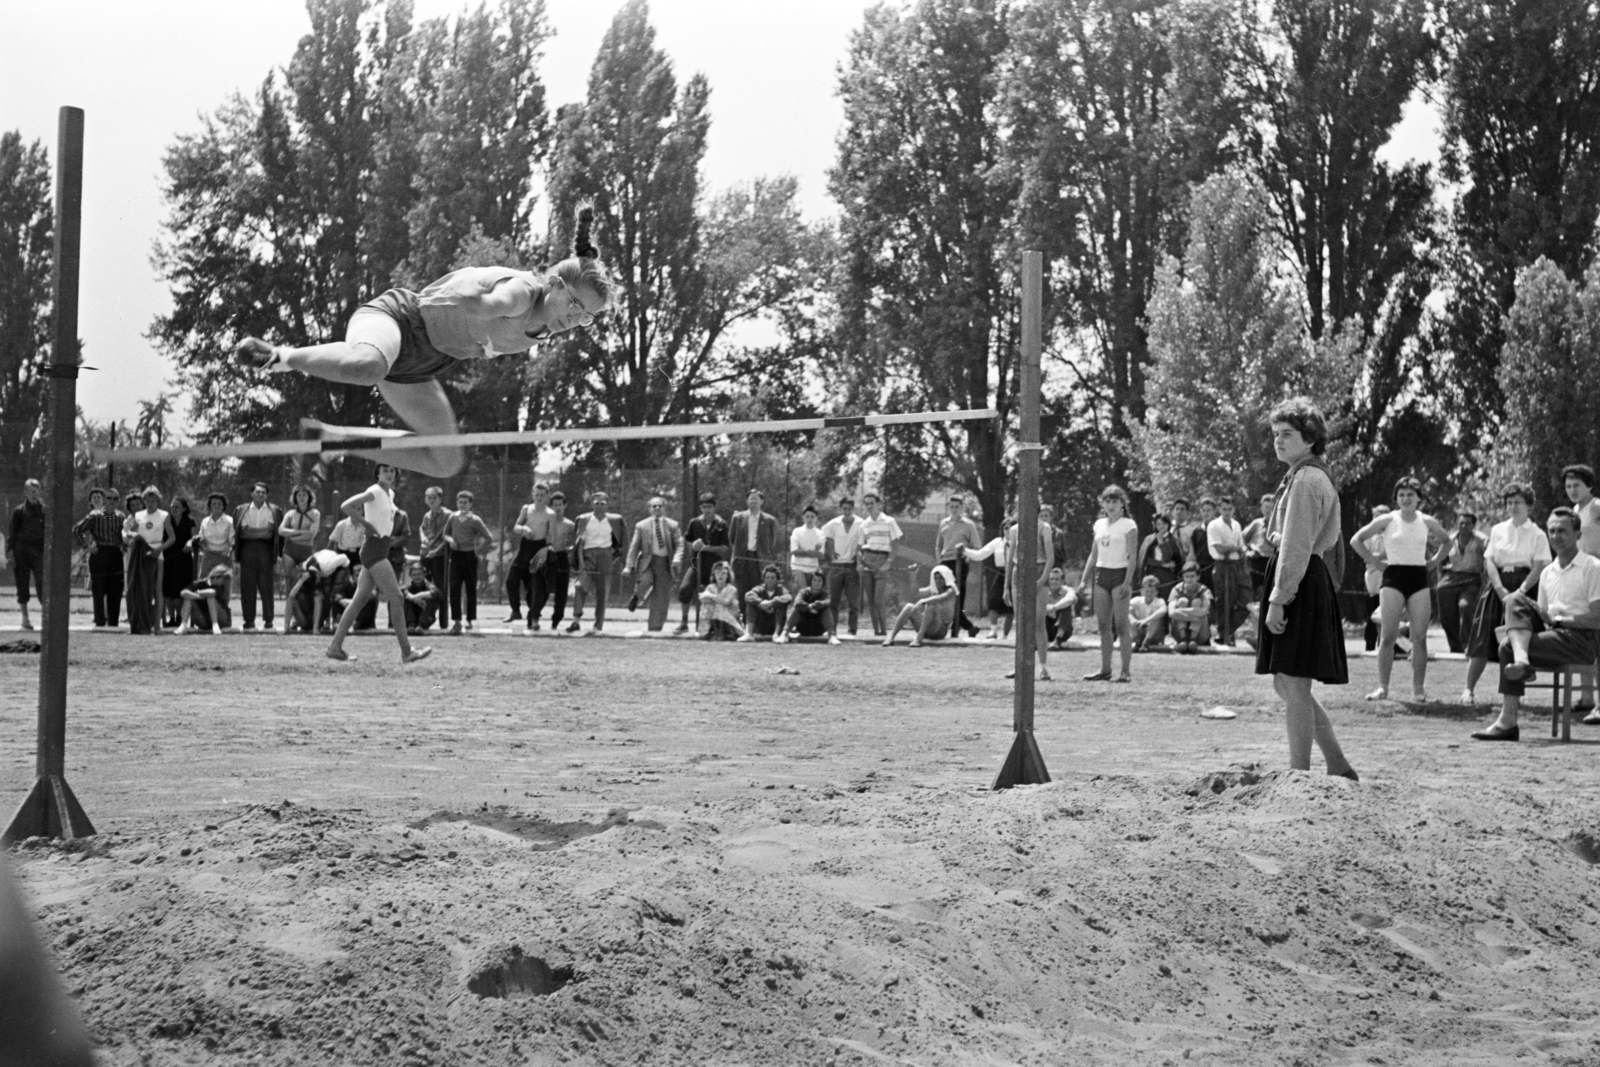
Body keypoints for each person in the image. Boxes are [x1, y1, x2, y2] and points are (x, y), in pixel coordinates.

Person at [235, 205, 618, 476]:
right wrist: (474, 299)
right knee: (368, 367)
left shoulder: (547, 325)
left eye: (587, 316)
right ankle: (280, 356)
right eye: (575, 303)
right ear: (554, 282)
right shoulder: (520, 295)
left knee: (446, 462)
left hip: (426, 364)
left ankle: (335, 441)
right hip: (398, 321)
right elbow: (491, 301)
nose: (576, 318)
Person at [1257, 396, 1358, 780]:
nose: (1278, 441)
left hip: (1300, 581)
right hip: (1304, 578)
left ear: (1310, 438)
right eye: (1275, 435)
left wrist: (1279, 600)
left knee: (1294, 685)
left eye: (1287, 434)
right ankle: (1337, 764)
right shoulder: (1306, 476)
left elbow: (1297, 547)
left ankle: (1298, 774)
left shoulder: (1306, 480)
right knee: (1286, 683)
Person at [1472, 507, 1600, 741]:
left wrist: (1559, 620)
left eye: (1562, 531)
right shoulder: (1548, 572)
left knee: (1506, 647)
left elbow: (1597, 618)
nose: (1555, 536)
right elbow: (1541, 615)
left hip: (1581, 640)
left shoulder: (1593, 567)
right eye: (1551, 531)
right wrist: (1535, 618)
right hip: (1552, 636)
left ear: (1578, 535)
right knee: (1513, 599)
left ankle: (1508, 721)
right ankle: (1521, 663)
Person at [1351, 477, 1449, 703]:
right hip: (1393, 577)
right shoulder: (1387, 519)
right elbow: (1357, 540)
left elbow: (1447, 542)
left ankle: (1418, 689)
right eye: (1401, 495)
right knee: (1388, 637)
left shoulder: (1427, 521)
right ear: (1396, 498)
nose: (1406, 499)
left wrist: (1433, 562)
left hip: (1418, 577)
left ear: (1419, 499)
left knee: (1420, 638)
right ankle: (1383, 688)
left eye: (1410, 495)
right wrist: (1375, 562)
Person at [325, 463, 432, 663]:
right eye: (385, 470)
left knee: (358, 601)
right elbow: (346, 506)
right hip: (374, 551)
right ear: (377, 473)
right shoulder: (374, 491)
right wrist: (365, 523)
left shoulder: (389, 494)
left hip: (379, 548)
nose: (389, 473)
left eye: (392, 470)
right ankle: (407, 651)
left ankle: (334, 647)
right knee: (397, 598)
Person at [1461, 484, 1553, 705]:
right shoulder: (1498, 530)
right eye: (1509, 503)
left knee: (1516, 639)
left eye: (1518, 502)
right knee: (1482, 639)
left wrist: (1520, 591)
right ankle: (1468, 690)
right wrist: (1501, 589)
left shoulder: (1538, 534)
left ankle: (1513, 696)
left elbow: (1540, 565)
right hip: (1497, 588)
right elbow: (1490, 560)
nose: (1513, 507)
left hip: (1525, 587)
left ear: (1528, 506)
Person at [1080, 485, 1138, 681]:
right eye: (1108, 501)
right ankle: (1105, 670)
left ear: (1122, 504)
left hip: (1120, 575)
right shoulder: (1099, 524)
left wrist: (1127, 582)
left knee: (1122, 625)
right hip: (1101, 576)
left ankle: (1125, 672)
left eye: (1115, 501)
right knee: (1104, 625)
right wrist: (1084, 580)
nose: (1111, 505)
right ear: (1102, 503)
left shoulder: (1128, 525)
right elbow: (1093, 554)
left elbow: (1133, 557)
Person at [1563, 464, 1600, 714]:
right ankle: (1586, 697)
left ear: (1589, 485)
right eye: (1568, 486)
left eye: (1577, 484)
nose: (1572, 490)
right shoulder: (1575, 511)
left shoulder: (1596, 506)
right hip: (1582, 574)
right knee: (1583, 632)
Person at [1004, 505, 1056, 680]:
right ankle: (1021, 666)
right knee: (1021, 623)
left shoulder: (1044, 527)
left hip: (1039, 570)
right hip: (1019, 573)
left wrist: (1041, 581)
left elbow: (1050, 558)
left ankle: (1043, 668)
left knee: (1038, 622)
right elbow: (1011, 559)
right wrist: (1006, 586)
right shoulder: (1014, 530)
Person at [567, 490, 626, 634]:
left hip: (605, 555)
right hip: (588, 555)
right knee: (580, 586)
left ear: (607, 505)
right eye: (596, 503)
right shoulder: (583, 519)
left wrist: (614, 556)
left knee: (602, 591)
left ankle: (598, 626)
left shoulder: (615, 520)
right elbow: (579, 543)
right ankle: (576, 620)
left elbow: (623, 542)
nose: (599, 506)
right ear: (592, 504)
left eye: (602, 503)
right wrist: (580, 561)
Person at [623, 495, 684, 631]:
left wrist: (677, 559)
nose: (657, 508)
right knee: (644, 581)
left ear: (664, 508)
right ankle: (637, 596)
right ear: (649, 509)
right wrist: (629, 566)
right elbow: (634, 547)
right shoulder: (641, 526)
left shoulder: (672, 525)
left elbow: (680, 544)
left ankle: (655, 628)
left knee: (661, 599)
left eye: (659, 506)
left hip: (665, 564)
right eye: (653, 506)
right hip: (647, 563)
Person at [1432, 510, 1486, 655]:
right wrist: (1440, 579)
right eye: (1461, 523)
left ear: (1474, 525)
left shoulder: (1481, 540)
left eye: (1468, 523)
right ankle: (1455, 647)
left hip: (1471, 579)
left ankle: (1468, 645)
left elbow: (1489, 560)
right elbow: (1440, 561)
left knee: (1466, 606)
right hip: (1451, 578)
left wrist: (1486, 583)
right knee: (1447, 614)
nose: (1463, 526)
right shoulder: (1449, 540)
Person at [73, 486, 125, 629]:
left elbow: (124, 535)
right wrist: (86, 547)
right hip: (99, 554)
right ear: (104, 500)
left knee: (115, 590)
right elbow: (77, 530)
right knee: (99, 590)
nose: (112, 501)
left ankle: (113, 623)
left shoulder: (121, 516)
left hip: (115, 553)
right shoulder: (95, 515)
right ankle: (100, 623)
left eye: (115, 499)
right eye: (109, 498)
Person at [232, 482, 282, 632]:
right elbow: (242, 533)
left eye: (263, 493)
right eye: (258, 492)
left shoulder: (274, 510)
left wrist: (253, 532)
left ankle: (268, 621)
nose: (260, 494)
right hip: (247, 550)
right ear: (252, 493)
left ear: (267, 495)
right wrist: (263, 532)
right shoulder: (241, 510)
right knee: (247, 586)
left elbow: (273, 533)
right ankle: (249, 621)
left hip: (266, 551)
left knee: (267, 586)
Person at [679, 493, 730, 634]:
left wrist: (706, 548)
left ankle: (716, 625)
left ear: (714, 507)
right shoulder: (694, 523)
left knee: (714, 594)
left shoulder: (721, 524)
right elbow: (687, 541)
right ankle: (684, 622)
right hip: (696, 564)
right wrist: (693, 545)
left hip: (714, 567)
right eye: (704, 507)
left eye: (709, 506)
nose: (706, 510)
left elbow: (725, 548)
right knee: (685, 588)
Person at [127, 485, 175, 635]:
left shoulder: (164, 515)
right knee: (141, 589)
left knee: (157, 590)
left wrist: (159, 550)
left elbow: (172, 538)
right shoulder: (139, 515)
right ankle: (142, 623)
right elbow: (129, 530)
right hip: (141, 554)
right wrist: (132, 534)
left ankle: (158, 626)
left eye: (153, 500)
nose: (150, 503)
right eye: (147, 500)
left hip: (156, 553)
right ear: (144, 500)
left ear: (158, 500)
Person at [443, 490, 492, 634]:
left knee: (470, 588)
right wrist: (451, 540)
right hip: (456, 556)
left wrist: (477, 551)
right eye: (460, 502)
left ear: (471, 504)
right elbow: (445, 534)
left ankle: (470, 620)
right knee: (455, 588)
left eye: (465, 502)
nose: (462, 505)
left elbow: (488, 537)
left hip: (470, 557)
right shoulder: (453, 517)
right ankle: (457, 621)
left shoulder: (475, 520)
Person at [934, 495, 983, 638]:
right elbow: (938, 545)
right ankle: (969, 627)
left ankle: (955, 630)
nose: (954, 510)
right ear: (948, 507)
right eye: (951, 507)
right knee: (944, 596)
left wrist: (966, 553)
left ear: (961, 508)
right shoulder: (943, 523)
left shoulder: (968, 525)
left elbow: (977, 546)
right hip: (945, 562)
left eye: (957, 507)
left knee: (958, 595)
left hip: (960, 562)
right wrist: (939, 561)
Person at [505, 483, 554, 625]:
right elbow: (516, 526)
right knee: (510, 580)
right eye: (536, 494)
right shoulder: (526, 509)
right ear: (532, 495)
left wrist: (547, 549)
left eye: (542, 495)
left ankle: (534, 618)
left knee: (537, 587)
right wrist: (524, 528)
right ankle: (515, 611)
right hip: (525, 547)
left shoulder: (550, 514)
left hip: (540, 549)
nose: (539, 497)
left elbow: (551, 536)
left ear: (547, 497)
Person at [729, 490, 780, 623]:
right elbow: (732, 538)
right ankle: (743, 623)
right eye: (751, 499)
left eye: (756, 499)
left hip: (759, 561)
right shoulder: (738, 518)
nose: (753, 501)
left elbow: (772, 542)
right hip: (742, 559)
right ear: (747, 501)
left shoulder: (769, 520)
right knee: (742, 592)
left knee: (758, 591)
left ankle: (757, 624)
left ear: (762, 502)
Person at [857, 493, 903, 636]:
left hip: (882, 560)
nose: (869, 506)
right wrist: (859, 562)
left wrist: (889, 562)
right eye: (867, 504)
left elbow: (896, 544)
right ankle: (876, 631)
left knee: (878, 599)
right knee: (870, 599)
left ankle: (884, 631)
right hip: (867, 560)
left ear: (878, 504)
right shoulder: (864, 524)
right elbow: (859, 547)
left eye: (872, 503)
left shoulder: (889, 521)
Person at [1207, 496, 1251, 645]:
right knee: (1225, 601)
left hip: (1237, 565)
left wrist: (1240, 549)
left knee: (1246, 601)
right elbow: (1218, 548)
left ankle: (1229, 631)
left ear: (1233, 509)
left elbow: (1241, 545)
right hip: (1222, 565)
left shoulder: (1237, 525)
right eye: (1224, 509)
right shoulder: (1214, 525)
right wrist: (1236, 548)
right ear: (1219, 509)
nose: (1227, 512)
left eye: (1229, 509)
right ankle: (1224, 635)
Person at [530, 489, 575, 633]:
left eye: (560, 505)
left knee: (561, 593)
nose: (557, 507)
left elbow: (576, 542)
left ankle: (555, 623)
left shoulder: (570, 525)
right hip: (545, 557)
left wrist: (570, 550)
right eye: (554, 505)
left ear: (565, 506)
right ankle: (534, 618)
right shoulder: (546, 521)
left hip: (561, 558)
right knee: (540, 590)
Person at [883, 564, 959, 647]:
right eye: (936, 578)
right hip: (927, 630)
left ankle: (918, 639)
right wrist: (913, 575)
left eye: (941, 578)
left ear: (946, 578)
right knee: (909, 606)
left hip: (940, 631)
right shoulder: (932, 588)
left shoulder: (951, 590)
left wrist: (923, 601)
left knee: (931, 604)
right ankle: (891, 638)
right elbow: (916, 593)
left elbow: (941, 598)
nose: (938, 581)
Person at [963, 517, 1013, 640]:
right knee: (993, 601)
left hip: (1015, 574)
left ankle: (1005, 635)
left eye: (1011, 528)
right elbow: (980, 555)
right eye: (1006, 528)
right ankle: (993, 631)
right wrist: (964, 551)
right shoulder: (997, 542)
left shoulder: (1020, 542)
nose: (1008, 530)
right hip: (1001, 574)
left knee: (1011, 607)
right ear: (1002, 529)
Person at [821, 497, 864, 637]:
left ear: (853, 509)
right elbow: (822, 536)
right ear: (841, 509)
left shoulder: (860, 523)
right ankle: (832, 630)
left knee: (853, 602)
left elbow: (862, 543)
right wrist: (829, 550)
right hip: (836, 566)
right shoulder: (833, 524)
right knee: (834, 601)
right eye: (844, 509)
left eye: (849, 509)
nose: (847, 512)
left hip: (852, 566)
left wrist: (859, 559)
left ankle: (852, 630)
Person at [7, 478, 45, 631]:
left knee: (42, 583)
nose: (33, 494)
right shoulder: (19, 511)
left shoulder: (45, 510)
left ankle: (46, 619)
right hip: (21, 550)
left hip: (39, 551)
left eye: (36, 491)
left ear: (40, 492)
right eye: (30, 491)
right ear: (25, 493)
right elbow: (12, 533)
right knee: (22, 584)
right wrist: (10, 553)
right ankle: (25, 619)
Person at [289, 547, 351, 633]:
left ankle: (330, 619)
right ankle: (295, 620)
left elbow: (344, 558)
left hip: (336, 567)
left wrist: (345, 579)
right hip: (320, 563)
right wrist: (302, 580)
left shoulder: (328, 565)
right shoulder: (305, 566)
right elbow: (291, 596)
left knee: (329, 592)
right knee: (302, 596)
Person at [1359, 504, 1392, 653]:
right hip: (1373, 580)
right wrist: (1378, 557)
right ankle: (1370, 647)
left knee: (1389, 616)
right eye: (1375, 516)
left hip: (1390, 579)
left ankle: (1389, 648)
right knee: (1372, 615)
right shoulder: (1368, 536)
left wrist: (1378, 557)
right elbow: (1365, 555)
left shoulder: (1393, 534)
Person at [162, 495, 197, 627]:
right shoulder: (166, 520)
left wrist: (190, 542)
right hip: (167, 559)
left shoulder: (190, 521)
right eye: (172, 506)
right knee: (167, 593)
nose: (174, 508)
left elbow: (195, 537)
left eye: (177, 506)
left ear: (184, 508)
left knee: (178, 594)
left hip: (184, 561)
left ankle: (179, 618)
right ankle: (171, 618)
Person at [1167, 561, 1213, 653]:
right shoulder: (1176, 589)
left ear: (1198, 577)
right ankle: (1183, 638)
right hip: (1179, 632)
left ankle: (1193, 638)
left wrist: (1180, 611)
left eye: (1192, 576)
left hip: (1200, 632)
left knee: (1197, 602)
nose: (1189, 579)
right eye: (1187, 576)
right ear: (1183, 577)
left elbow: (1204, 611)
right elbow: (1171, 612)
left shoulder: (1204, 590)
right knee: (1182, 601)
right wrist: (1194, 614)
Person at [175, 564, 233, 635]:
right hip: (202, 620)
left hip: (221, 619)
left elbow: (211, 593)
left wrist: (198, 592)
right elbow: (183, 593)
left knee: (210, 598)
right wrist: (198, 596)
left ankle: (215, 625)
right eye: (225, 578)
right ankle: (183, 625)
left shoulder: (222, 587)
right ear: (216, 576)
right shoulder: (200, 583)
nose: (226, 581)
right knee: (188, 598)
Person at [784, 570, 839, 643]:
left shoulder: (825, 594)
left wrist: (815, 604)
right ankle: (784, 634)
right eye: (814, 580)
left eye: (819, 581)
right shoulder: (803, 591)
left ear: (823, 583)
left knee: (826, 609)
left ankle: (831, 636)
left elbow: (827, 602)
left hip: (818, 628)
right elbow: (797, 602)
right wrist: (809, 607)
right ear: (811, 582)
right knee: (796, 608)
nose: (817, 583)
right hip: (803, 626)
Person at [740, 565, 792, 641]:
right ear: (764, 579)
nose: (770, 580)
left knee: (781, 605)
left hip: (776, 623)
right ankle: (748, 634)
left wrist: (772, 603)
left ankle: (776, 635)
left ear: (777, 579)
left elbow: (788, 597)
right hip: (761, 623)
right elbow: (748, 595)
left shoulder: (781, 589)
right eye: (767, 577)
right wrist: (760, 603)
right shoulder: (759, 588)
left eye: (773, 578)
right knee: (750, 604)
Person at [1135, 512, 1182, 597]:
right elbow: (1145, 559)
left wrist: (1161, 543)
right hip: (1151, 572)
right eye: (1158, 524)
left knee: (1165, 596)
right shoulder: (1149, 539)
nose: (1161, 526)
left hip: (1167, 575)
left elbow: (1168, 558)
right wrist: (1163, 564)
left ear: (1168, 524)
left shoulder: (1173, 539)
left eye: (1164, 523)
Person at [1241, 492, 1276, 603]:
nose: (1268, 510)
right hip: (1256, 562)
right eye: (1266, 507)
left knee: (1270, 593)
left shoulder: (1280, 525)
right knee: (1252, 593)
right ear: (1261, 508)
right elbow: (1242, 539)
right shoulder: (1256, 524)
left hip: (1272, 562)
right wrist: (1246, 551)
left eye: (1271, 507)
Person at [699, 560, 746, 641]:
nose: (720, 576)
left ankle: (722, 632)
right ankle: (713, 631)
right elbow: (703, 599)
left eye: (723, 573)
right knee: (708, 606)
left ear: (728, 575)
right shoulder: (710, 587)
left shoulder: (731, 589)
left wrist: (712, 596)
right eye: (717, 573)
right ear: (714, 575)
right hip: (713, 614)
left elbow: (727, 602)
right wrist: (716, 599)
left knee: (720, 606)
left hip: (730, 617)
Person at [194, 492, 236, 581]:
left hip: (224, 556)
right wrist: (201, 541)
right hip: (208, 556)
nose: (216, 506)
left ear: (224, 506)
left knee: (224, 584)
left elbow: (233, 540)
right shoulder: (205, 521)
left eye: (219, 503)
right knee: (203, 582)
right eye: (214, 503)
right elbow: (201, 537)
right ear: (210, 506)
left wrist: (229, 551)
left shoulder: (230, 521)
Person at [788, 505, 827, 595]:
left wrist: (802, 551)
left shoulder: (820, 533)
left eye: (812, 517)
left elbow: (820, 555)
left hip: (813, 568)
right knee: (804, 593)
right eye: (807, 516)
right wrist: (812, 552)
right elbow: (794, 552)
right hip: (798, 567)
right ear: (803, 518)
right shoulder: (797, 531)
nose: (810, 519)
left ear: (816, 518)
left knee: (814, 594)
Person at [279, 485, 321, 569]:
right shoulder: (290, 513)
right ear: (295, 497)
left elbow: (310, 535)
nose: (302, 498)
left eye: (305, 495)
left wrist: (292, 538)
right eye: (299, 495)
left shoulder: (315, 513)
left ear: (309, 497)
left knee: (304, 577)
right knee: (288, 578)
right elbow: (281, 530)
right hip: (289, 550)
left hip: (306, 549)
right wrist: (301, 532)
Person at [1129, 574, 1169, 651]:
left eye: (1152, 591)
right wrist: (1133, 620)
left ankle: (1145, 643)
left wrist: (1145, 620)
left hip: (1154, 634)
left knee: (1156, 616)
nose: (1149, 594)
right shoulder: (1136, 600)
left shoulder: (1159, 601)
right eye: (1147, 591)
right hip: (1139, 630)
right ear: (1142, 591)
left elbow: (1163, 611)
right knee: (1129, 611)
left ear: (1157, 592)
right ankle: (1137, 642)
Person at [401, 558, 441, 633]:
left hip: (426, 618)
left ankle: (420, 626)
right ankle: (411, 625)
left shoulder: (428, 585)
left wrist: (419, 596)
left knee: (428, 597)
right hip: (410, 618)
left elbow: (436, 592)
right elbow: (401, 590)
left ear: (424, 575)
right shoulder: (409, 587)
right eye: (414, 575)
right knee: (405, 598)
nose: (417, 577)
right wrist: (412, 598)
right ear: (410, 576)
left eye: (419, 574)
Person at [1043, 567, 1078, 649]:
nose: (1054, 581)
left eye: (1057, 579)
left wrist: (1054, 607)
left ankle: (1057, 640)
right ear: (1048, 580)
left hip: (1064, 630)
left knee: (1066, 607)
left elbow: (1071, 599)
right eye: (1052, 579)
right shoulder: (1043, 591)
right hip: (1045, 627)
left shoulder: (1068, 590)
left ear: (1062, 581)